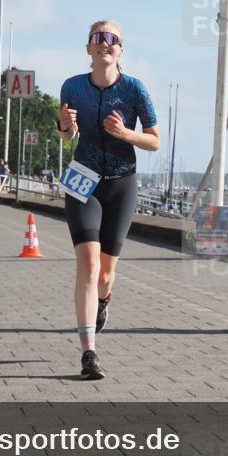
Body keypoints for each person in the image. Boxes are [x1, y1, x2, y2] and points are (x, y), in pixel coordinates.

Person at [57, 20, 159, 380]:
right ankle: (89, 353)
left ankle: (103, 302)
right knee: (87, 264)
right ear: (88, 49)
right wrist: (64, 124)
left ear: (120, 50)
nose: (104, 44)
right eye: (98, 39)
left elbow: (155, 140)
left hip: (121, 183)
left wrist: (125, 133)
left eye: (111, 39)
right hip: (82, 181)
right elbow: (69, 135)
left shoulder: (134, 89)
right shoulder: (72, 86)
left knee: (106, 272)